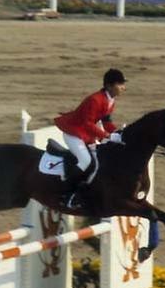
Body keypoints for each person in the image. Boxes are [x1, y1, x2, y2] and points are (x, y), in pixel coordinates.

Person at [54, 68, 127, 210]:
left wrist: (119, 133)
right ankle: (67, 195)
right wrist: (108, 136)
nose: (124, 88)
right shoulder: (95, 100)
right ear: (109, 86)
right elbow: (87, 124)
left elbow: (106, 122)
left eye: (123, 84)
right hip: (73, 132)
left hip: (85, 133)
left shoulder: (110, 100)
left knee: (98, 161)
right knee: (86, 161)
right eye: (120, 84)